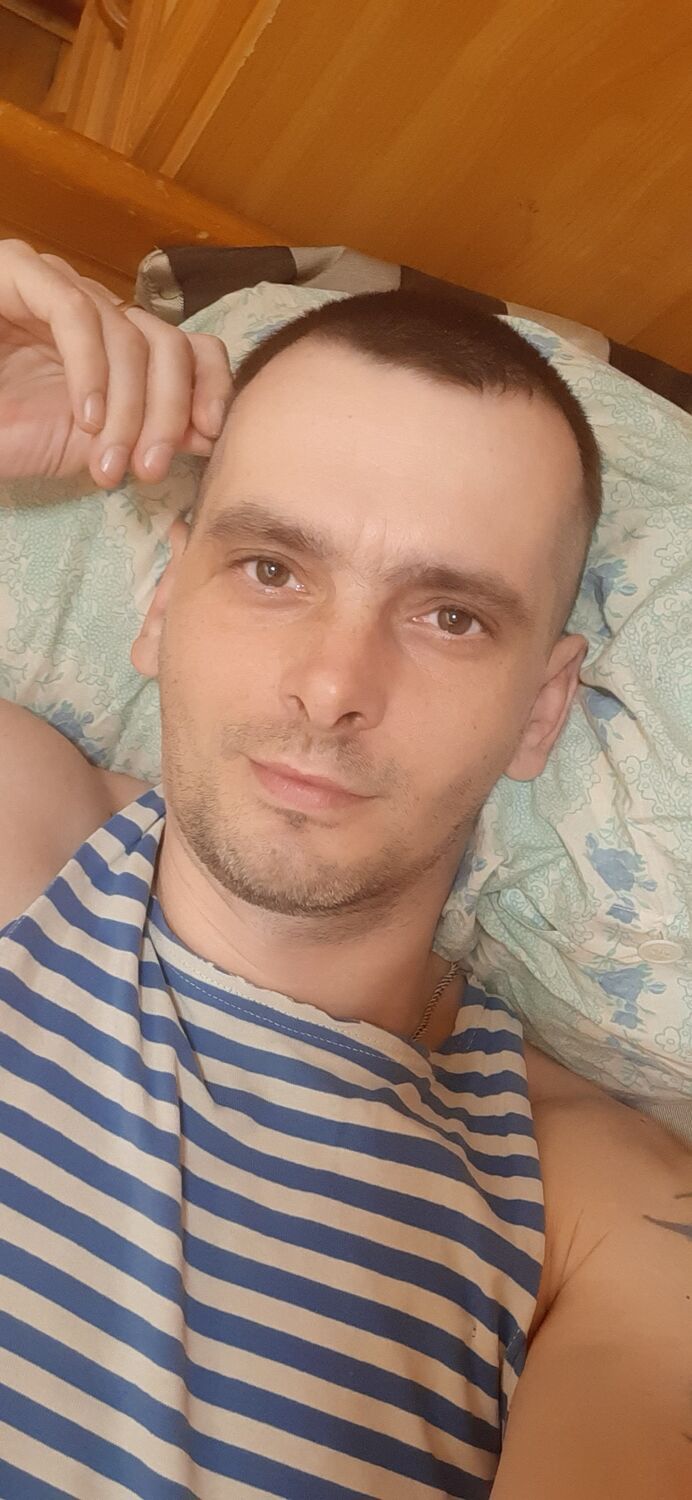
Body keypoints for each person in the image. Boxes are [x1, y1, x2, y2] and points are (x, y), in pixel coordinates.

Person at [0, 239, 689, 1500]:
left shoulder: (597, 1211)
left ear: (541, 711)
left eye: (449, 617)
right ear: (161, 604)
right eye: (272, 570)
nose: (331, 686)